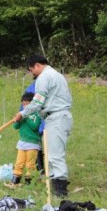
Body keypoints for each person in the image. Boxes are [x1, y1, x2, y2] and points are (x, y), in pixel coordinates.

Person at [13, 55, 73, 197]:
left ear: (38, 66)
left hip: (56, 117)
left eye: (31, 70)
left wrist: (23, 113)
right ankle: (53, 185)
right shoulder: (58, 76)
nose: (31, 73)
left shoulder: (44, 78)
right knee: (53, 153)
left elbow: (37, 102)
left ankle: (60, 191)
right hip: (60, 117)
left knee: (54, 155)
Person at [7, 92, 42, 186]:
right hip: (22, 143)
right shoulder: (21, 115)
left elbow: (34, 127)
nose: (25, 106)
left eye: (27, 104)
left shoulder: (37, 115)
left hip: (32, 144)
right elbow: (16, 126)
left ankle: (29, 182)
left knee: (30, 164)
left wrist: (26, 117)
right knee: (19, 162)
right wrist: (18, 120)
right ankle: (15, 180)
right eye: (23, 104)